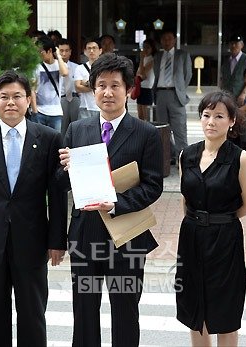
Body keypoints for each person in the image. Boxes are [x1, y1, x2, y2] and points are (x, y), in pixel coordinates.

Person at [58, 53, 164, 347]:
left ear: (129, 89)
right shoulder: (77, 130)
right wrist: (66, 168)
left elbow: (153, 186)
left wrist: (116, 202)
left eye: (115, 85)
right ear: (93, 89)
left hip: (127, 236)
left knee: (125, 313)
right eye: (101, 85)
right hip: (85, 235)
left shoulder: (146, 134)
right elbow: (60, 183)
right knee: (84, 312)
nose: (107, 92)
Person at [0, 71, 68, 346]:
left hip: (32, 240)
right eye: (4, 97)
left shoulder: (49, 138)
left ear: (28, 100)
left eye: (17, 96)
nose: (11, 102)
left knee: (32, 314)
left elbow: (56, 196)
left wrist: (57, 241)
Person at [176, 90, 246, 347]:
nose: (211, 122)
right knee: (194, 309)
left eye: (219, 116)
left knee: (225, 311)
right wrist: (197, 221)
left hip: (225, 240)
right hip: (190, 237)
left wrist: (220, 219)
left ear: (232, 121)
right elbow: (184, 198)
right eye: (206, 115)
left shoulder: (240, 158)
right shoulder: (186, 155)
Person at [153, 29, 192, 165]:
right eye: (164, 39)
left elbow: (187, 75)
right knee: (162, 129)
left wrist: (180, 89)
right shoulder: (158, 56)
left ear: (175, 40)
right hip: (161, 93)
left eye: (169, 38)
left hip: (176, 95)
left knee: (179, 128)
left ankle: (183, 159)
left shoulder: (182, 55)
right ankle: (167, 158)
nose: (167, 41)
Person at [32, 35, 68, 132]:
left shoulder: (59, 64)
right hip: (40, 111)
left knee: (55, 141)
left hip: (56, 111)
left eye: (41, 51)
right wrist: (35, 111)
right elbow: (33, 90)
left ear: (50, 51)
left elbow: (64, 73)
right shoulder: (36, 67)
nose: (39, 54)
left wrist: (59, 55)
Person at [220, 34, 246, 106]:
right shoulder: (227, 61)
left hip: (242, 99)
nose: (233, 46)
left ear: (242, 45)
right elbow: (222, 78)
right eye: (231, 43)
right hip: (227, 99)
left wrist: (244, 93)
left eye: (236, 43)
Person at [75, 38, 102, 119]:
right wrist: (95, 85)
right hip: (84, 107)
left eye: (94, 48)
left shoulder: (105, 67)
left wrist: (85, 83)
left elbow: (105, 86)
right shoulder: (80, 68)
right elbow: (77, 88)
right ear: (85, 51)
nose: (91, 51)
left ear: (100, 50)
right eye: (89, 48)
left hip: (101, 107)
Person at [58, 38, 81, 136]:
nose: (64, 54)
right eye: (61, 51)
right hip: (61, 98)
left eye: (66, 51)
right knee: (62, 128)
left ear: (70, 52)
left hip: (74, 97)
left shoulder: (77, 67)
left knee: (76, 126)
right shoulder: (54, 66)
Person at [136, 38, 156, 121]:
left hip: (148, 88)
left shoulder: (152, 59)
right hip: (140, 87)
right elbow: (138, 73)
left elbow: (143, 74)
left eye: (148, 47)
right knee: (140, 115)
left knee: (146, 115)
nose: (145, 50)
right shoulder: (144, 59)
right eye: (144, 47)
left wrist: (141, 59)